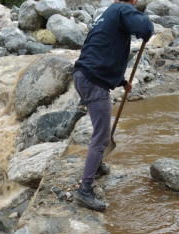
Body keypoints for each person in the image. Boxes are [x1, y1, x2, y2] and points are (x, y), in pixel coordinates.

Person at [72, 0, 154, 211]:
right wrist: (147, 28)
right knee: (101, 137)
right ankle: (84, 190)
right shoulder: (122, 8)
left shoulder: (107, 14)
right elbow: (145, 28)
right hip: (94, 82)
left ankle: (97, 167)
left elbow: (102, 52)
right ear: (133, 1)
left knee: (100, 131)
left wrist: (122, 82)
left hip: (83, 76)